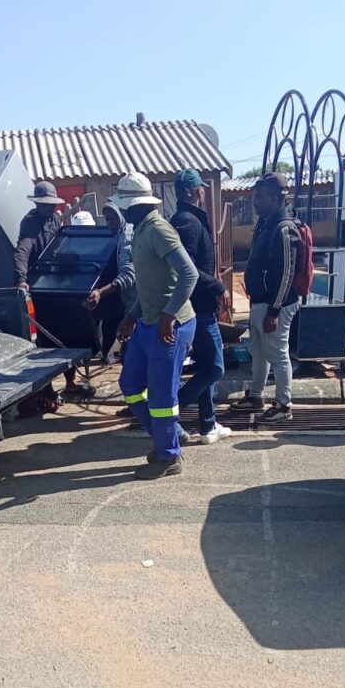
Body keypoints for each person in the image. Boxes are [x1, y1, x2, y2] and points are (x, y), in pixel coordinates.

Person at [114, 173, 199, 479]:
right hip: (148, 322)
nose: (121, 211)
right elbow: (149, 285)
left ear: (136, 205)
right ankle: (169, 436)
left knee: (162, 397)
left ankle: (169, 456)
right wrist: (131, 316)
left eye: (124, 205)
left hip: (170, 326)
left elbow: (189, 274)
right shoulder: (140, 230)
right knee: (131, 385)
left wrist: (169, 314)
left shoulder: (159, 230)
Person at [170, 168, 231, 444]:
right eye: (202, 188)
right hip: (197, 309)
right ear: (196, 191)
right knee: (216, 367)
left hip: (198, 306)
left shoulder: (190, 219)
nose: (204, 192)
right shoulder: (187, 222)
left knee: (206, 366)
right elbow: (189, 269)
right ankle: (172, 407)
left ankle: (208, 425)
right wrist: (218, 286)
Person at [233, 172, 300, 423]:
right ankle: (256, 396)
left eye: (259, 198)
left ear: (275, 198)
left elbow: (286, 274)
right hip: (261, 301)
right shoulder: (266, 223)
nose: (255, 202)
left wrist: (274, 310)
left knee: (277, 353)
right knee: (258, 351)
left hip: (276, 305)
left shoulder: (284, 229)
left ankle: (284, 405)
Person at [15, 180, 93, 396]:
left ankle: (70, 382)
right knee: (45, 340)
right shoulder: (30, 223)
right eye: (45, 204)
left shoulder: (54, 220)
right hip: (40, 288)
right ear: (37, 203)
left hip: (59, 283)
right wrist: (22, 279)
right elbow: (23, 250)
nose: (49, 208)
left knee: (67, 336)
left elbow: (59, 247)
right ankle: (47, 388)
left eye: (52, 204)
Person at [83, 201, 137, 363]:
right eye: (107, 219)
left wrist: (100, 292)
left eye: (113, 219)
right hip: (131, 306)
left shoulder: (128, 237)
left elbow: (129, 274)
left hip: (137, 307)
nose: (109, 224)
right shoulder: (119, 236)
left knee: (132, 359)